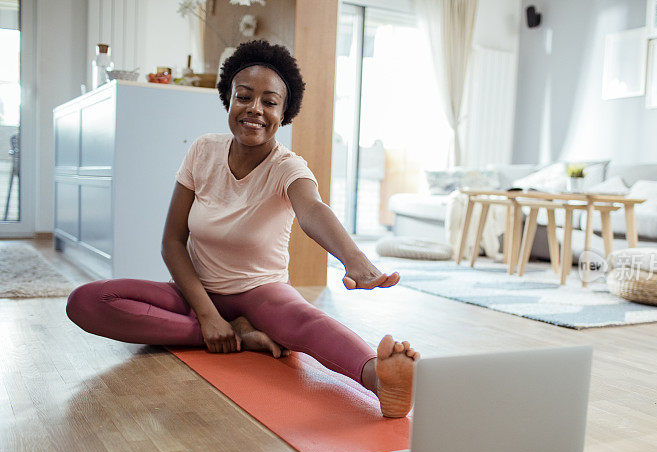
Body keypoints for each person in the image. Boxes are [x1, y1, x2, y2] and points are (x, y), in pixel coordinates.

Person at [66, 40, 419, 418]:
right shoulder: (202, 151)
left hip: (262, 295)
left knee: (306, 322)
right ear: (229, 100)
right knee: (86, 302)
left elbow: (313, 211)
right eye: (244, 97)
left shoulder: (288, 167)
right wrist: (208, 317)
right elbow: (172, 242)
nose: (255, 109)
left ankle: (381, 380)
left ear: (284, 114)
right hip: (194, 291)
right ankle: (240, 336)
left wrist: (355, 259)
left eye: (269, 102)